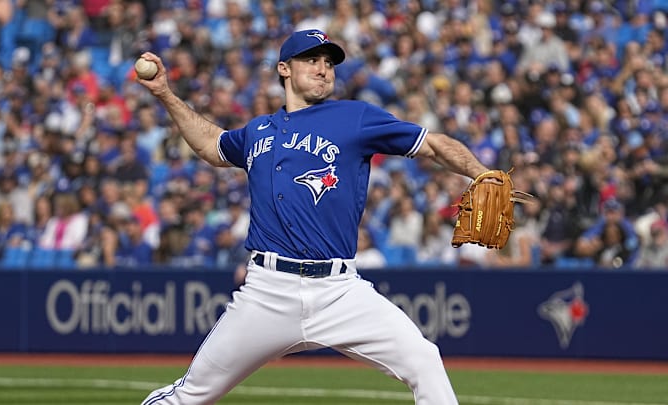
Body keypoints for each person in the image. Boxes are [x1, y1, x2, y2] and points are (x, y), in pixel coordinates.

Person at [137, 29, 493, 405]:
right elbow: (212, 144)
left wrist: (481, 172)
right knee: (189, 394)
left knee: (424, 360)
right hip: (267, 292)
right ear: (284, 69)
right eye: (312, 60)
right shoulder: (258, 131)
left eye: (329, 62)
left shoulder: (354, 117)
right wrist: (164, 94)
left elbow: (433, 144)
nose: (323, 69)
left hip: (339, 291)